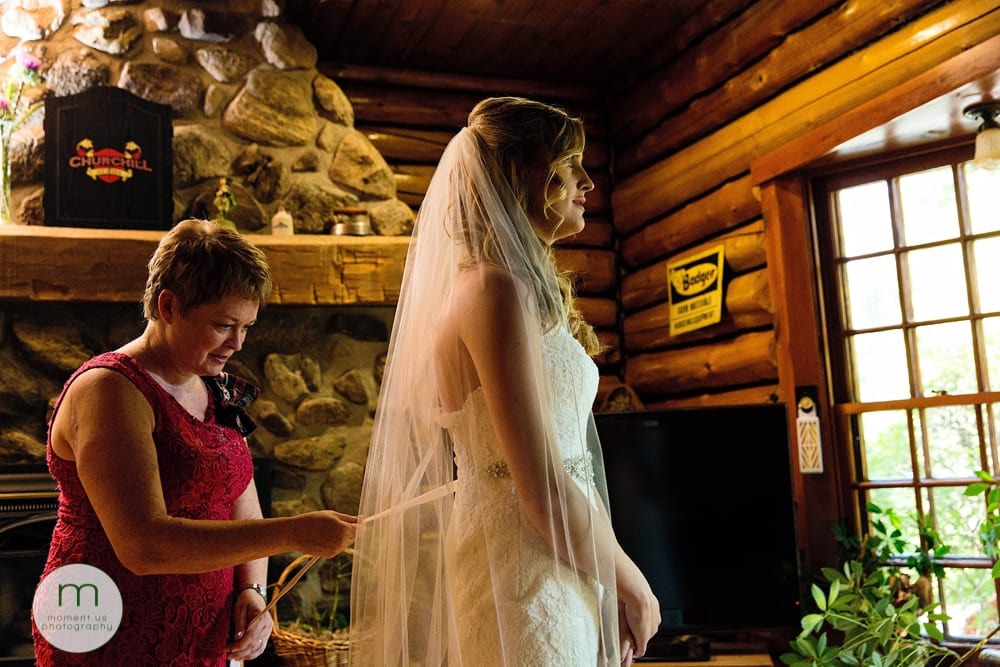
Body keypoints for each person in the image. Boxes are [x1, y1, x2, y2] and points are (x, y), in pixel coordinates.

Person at [349, 97, 660, 666]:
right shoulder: (491, 291)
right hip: (524, 571)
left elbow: (568, 471)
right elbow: (539, 484)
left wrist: (608, 574)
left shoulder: (503, 289)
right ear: (523, 175)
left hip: (562, 558)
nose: (587, 182)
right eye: (568, 166)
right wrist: (634, 582)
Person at [31, 218, 357, 666]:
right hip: (109, 626)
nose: (238, 343)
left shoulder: (216, 386)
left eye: (247, 326)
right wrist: (295, 532)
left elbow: (241, 496)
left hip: (203, 634)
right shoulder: (109, 390)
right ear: (168, 305)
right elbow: (143, 545)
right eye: (223, 324)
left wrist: (252, 590)